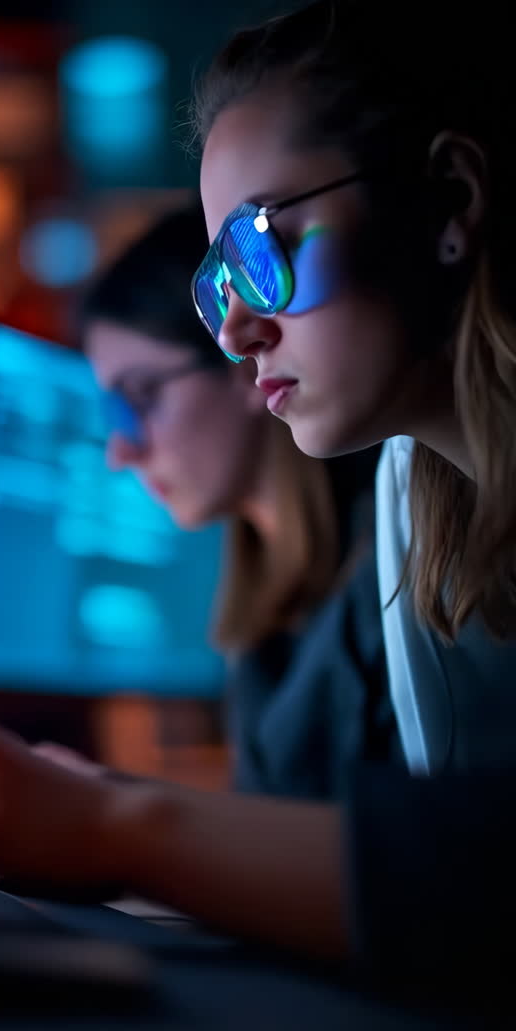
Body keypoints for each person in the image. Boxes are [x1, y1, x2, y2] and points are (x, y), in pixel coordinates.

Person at [0, 0, 515, 1004]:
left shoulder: (392, 557)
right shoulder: (425, 519)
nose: (238, 332)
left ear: (448, 198)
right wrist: (98, 806)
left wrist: (115, 821)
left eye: (263, 247)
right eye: (218, 282)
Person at [82, 204, 398, 798]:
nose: (120, 450)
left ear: (241, 360)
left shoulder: (397, 563)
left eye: (141, 396)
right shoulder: (265, 622)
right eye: (112, 413)